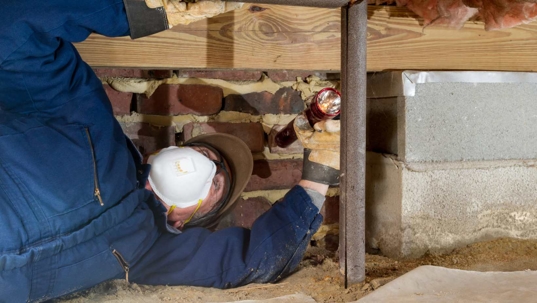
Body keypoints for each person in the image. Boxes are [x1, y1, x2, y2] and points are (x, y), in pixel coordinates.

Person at [0, 0, 341, 302]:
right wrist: (147, 9)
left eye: (217, 182)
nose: (208, 163)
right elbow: (17, 26)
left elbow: (251, 261)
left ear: (187, 219)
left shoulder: (153, 251)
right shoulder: (90, 119)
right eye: (206, 155)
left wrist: (319, 176)